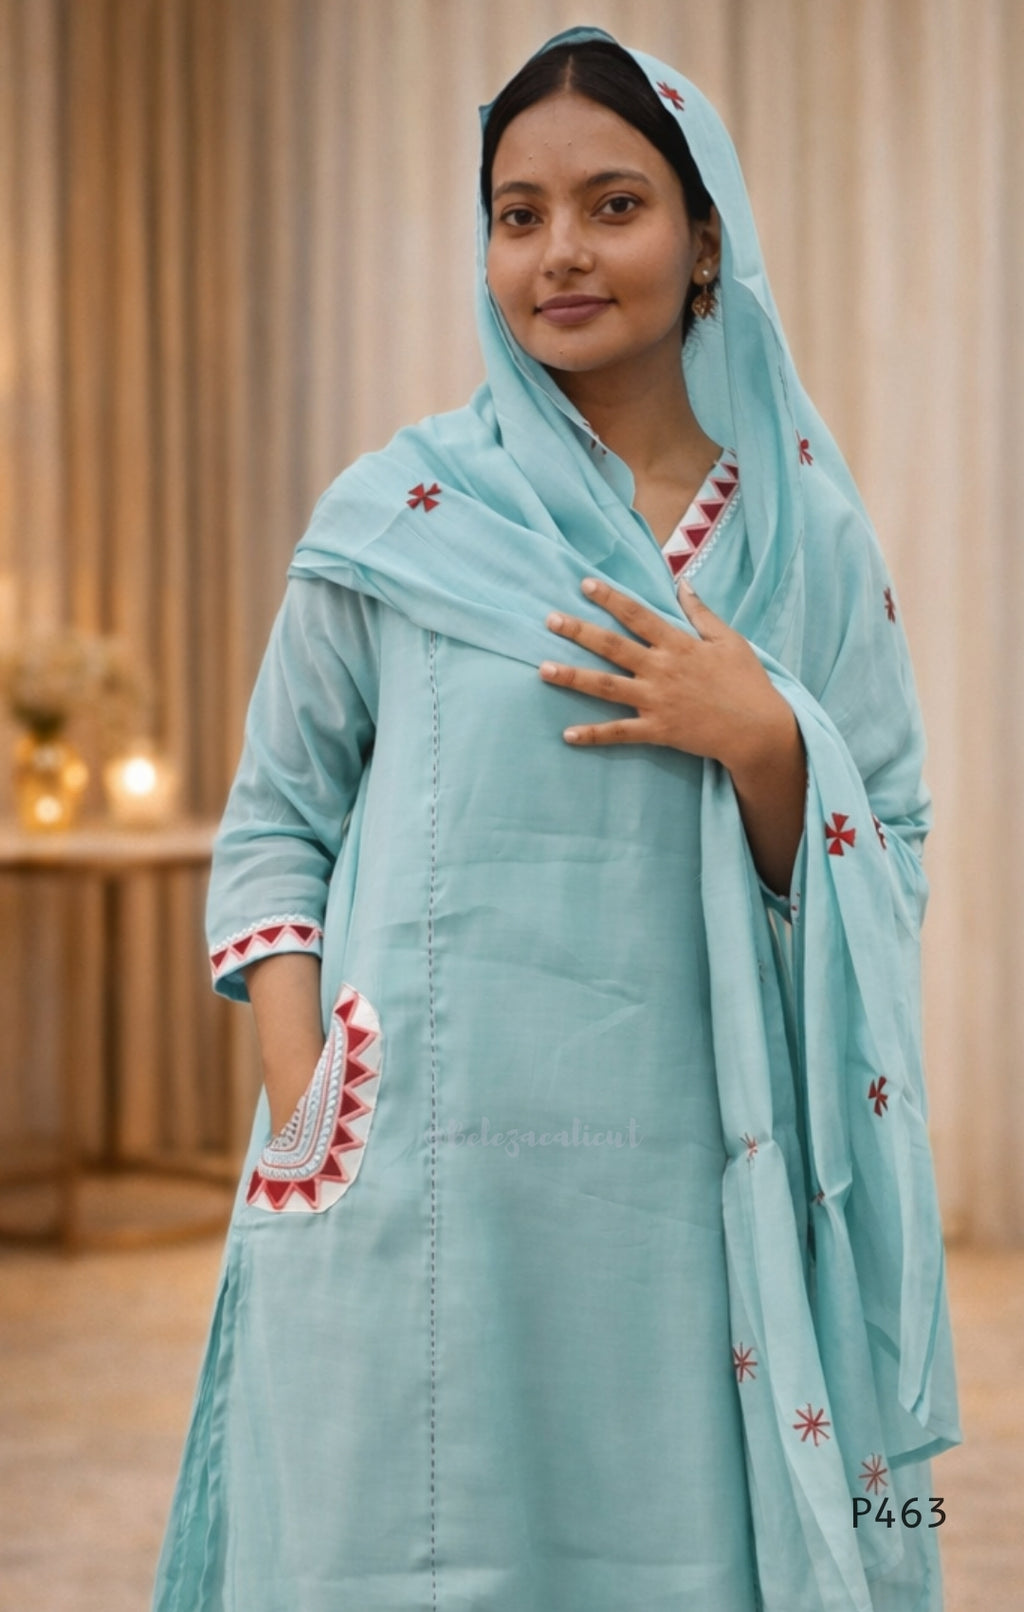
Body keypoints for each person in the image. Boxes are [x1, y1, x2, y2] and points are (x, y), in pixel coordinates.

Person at [152, 24, 961, 1612]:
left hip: (686, 1207)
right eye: (517, 214)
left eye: (612, 204)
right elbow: (275, 825)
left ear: (704, 233)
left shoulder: (801, 539)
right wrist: (310, 1104)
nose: (560, 254)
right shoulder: (401, 516)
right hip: (422, 1183)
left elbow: (900, 849)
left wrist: (773, 746)